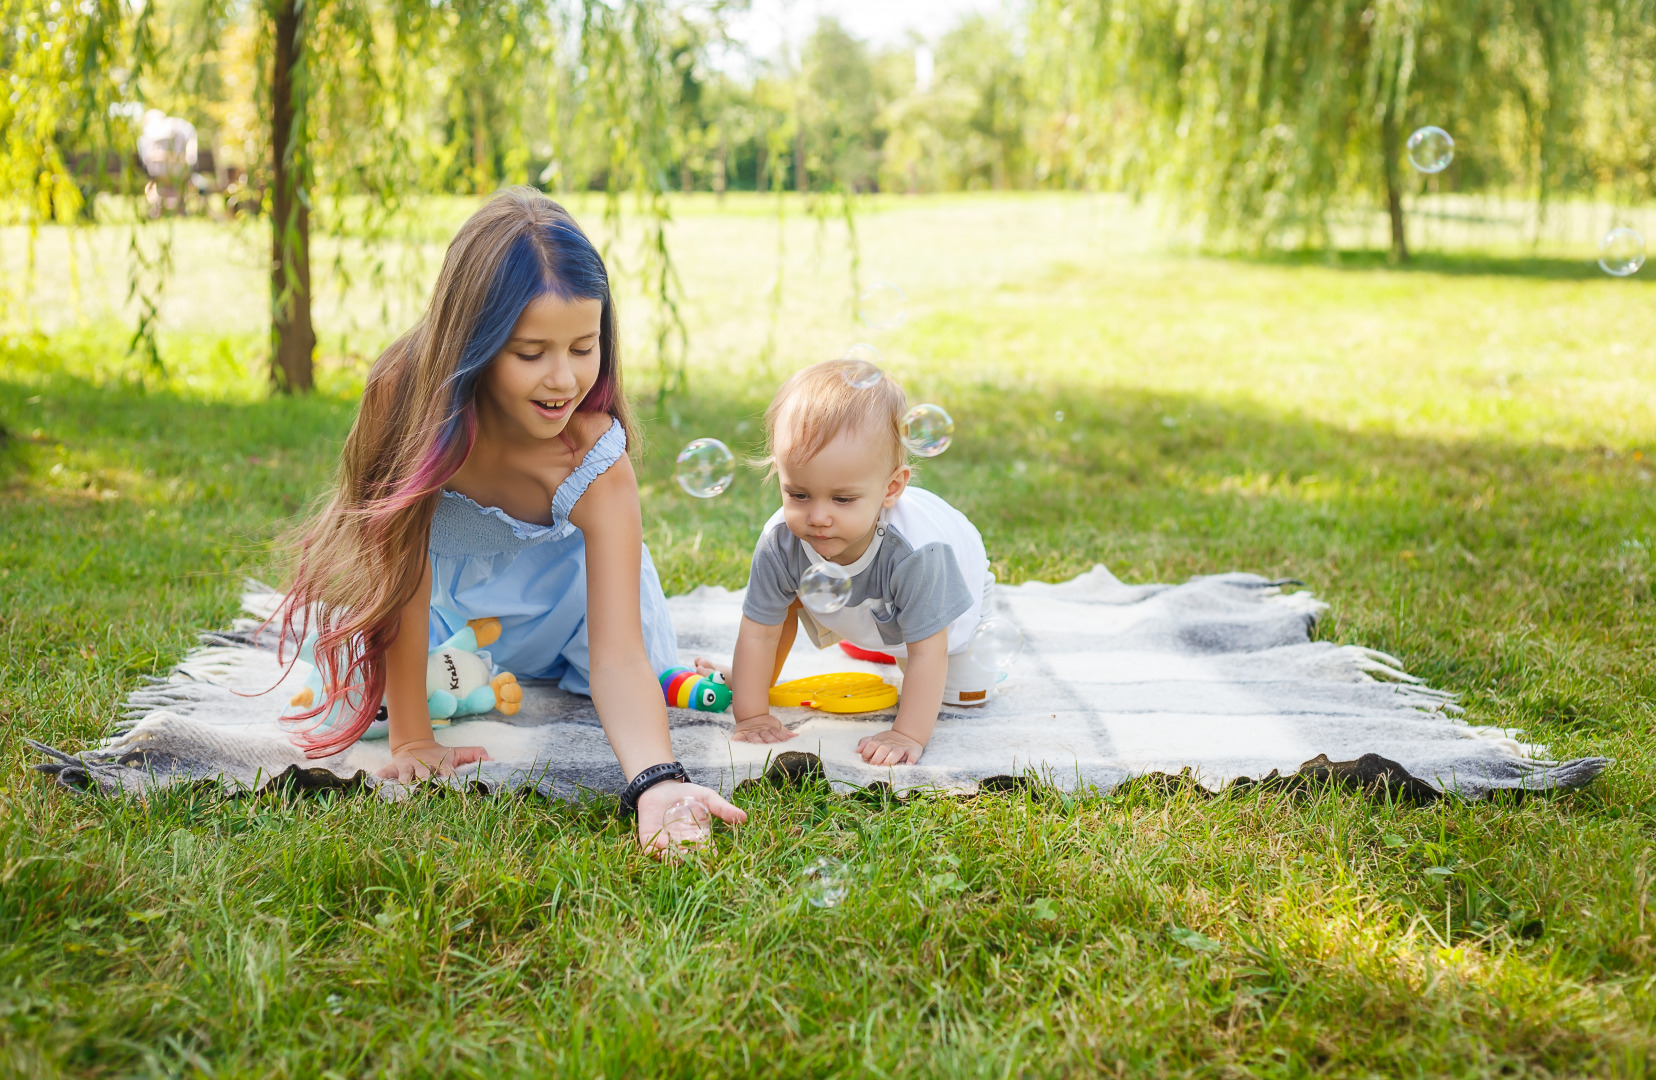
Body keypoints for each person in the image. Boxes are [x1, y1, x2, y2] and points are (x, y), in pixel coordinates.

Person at [276, 187, 744, 849]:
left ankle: (670, 674)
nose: (563, 380)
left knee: (634, 675)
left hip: (572, 612)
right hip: (449, 606)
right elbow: (397, 571)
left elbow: (614, 655)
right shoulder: (403, 398)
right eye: (531, 354)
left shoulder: (591, 455)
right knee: (353, 680)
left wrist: (657, 781)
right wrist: (413, 735)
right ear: (473, 341)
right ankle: (460, 686)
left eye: (585, 347)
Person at [725, 360, 996, 766]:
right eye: (798, 494)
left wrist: (906, 733)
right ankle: (873, 633)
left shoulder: (919, 553)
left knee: (963, 698)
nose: (818, 517)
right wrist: (752, 714)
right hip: (863, 599)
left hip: (950, 606)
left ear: (891, 488)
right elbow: (760, 631)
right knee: (788, 601)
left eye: (842, 499)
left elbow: (929, 653)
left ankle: (885, 634)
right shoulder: (781, 541)